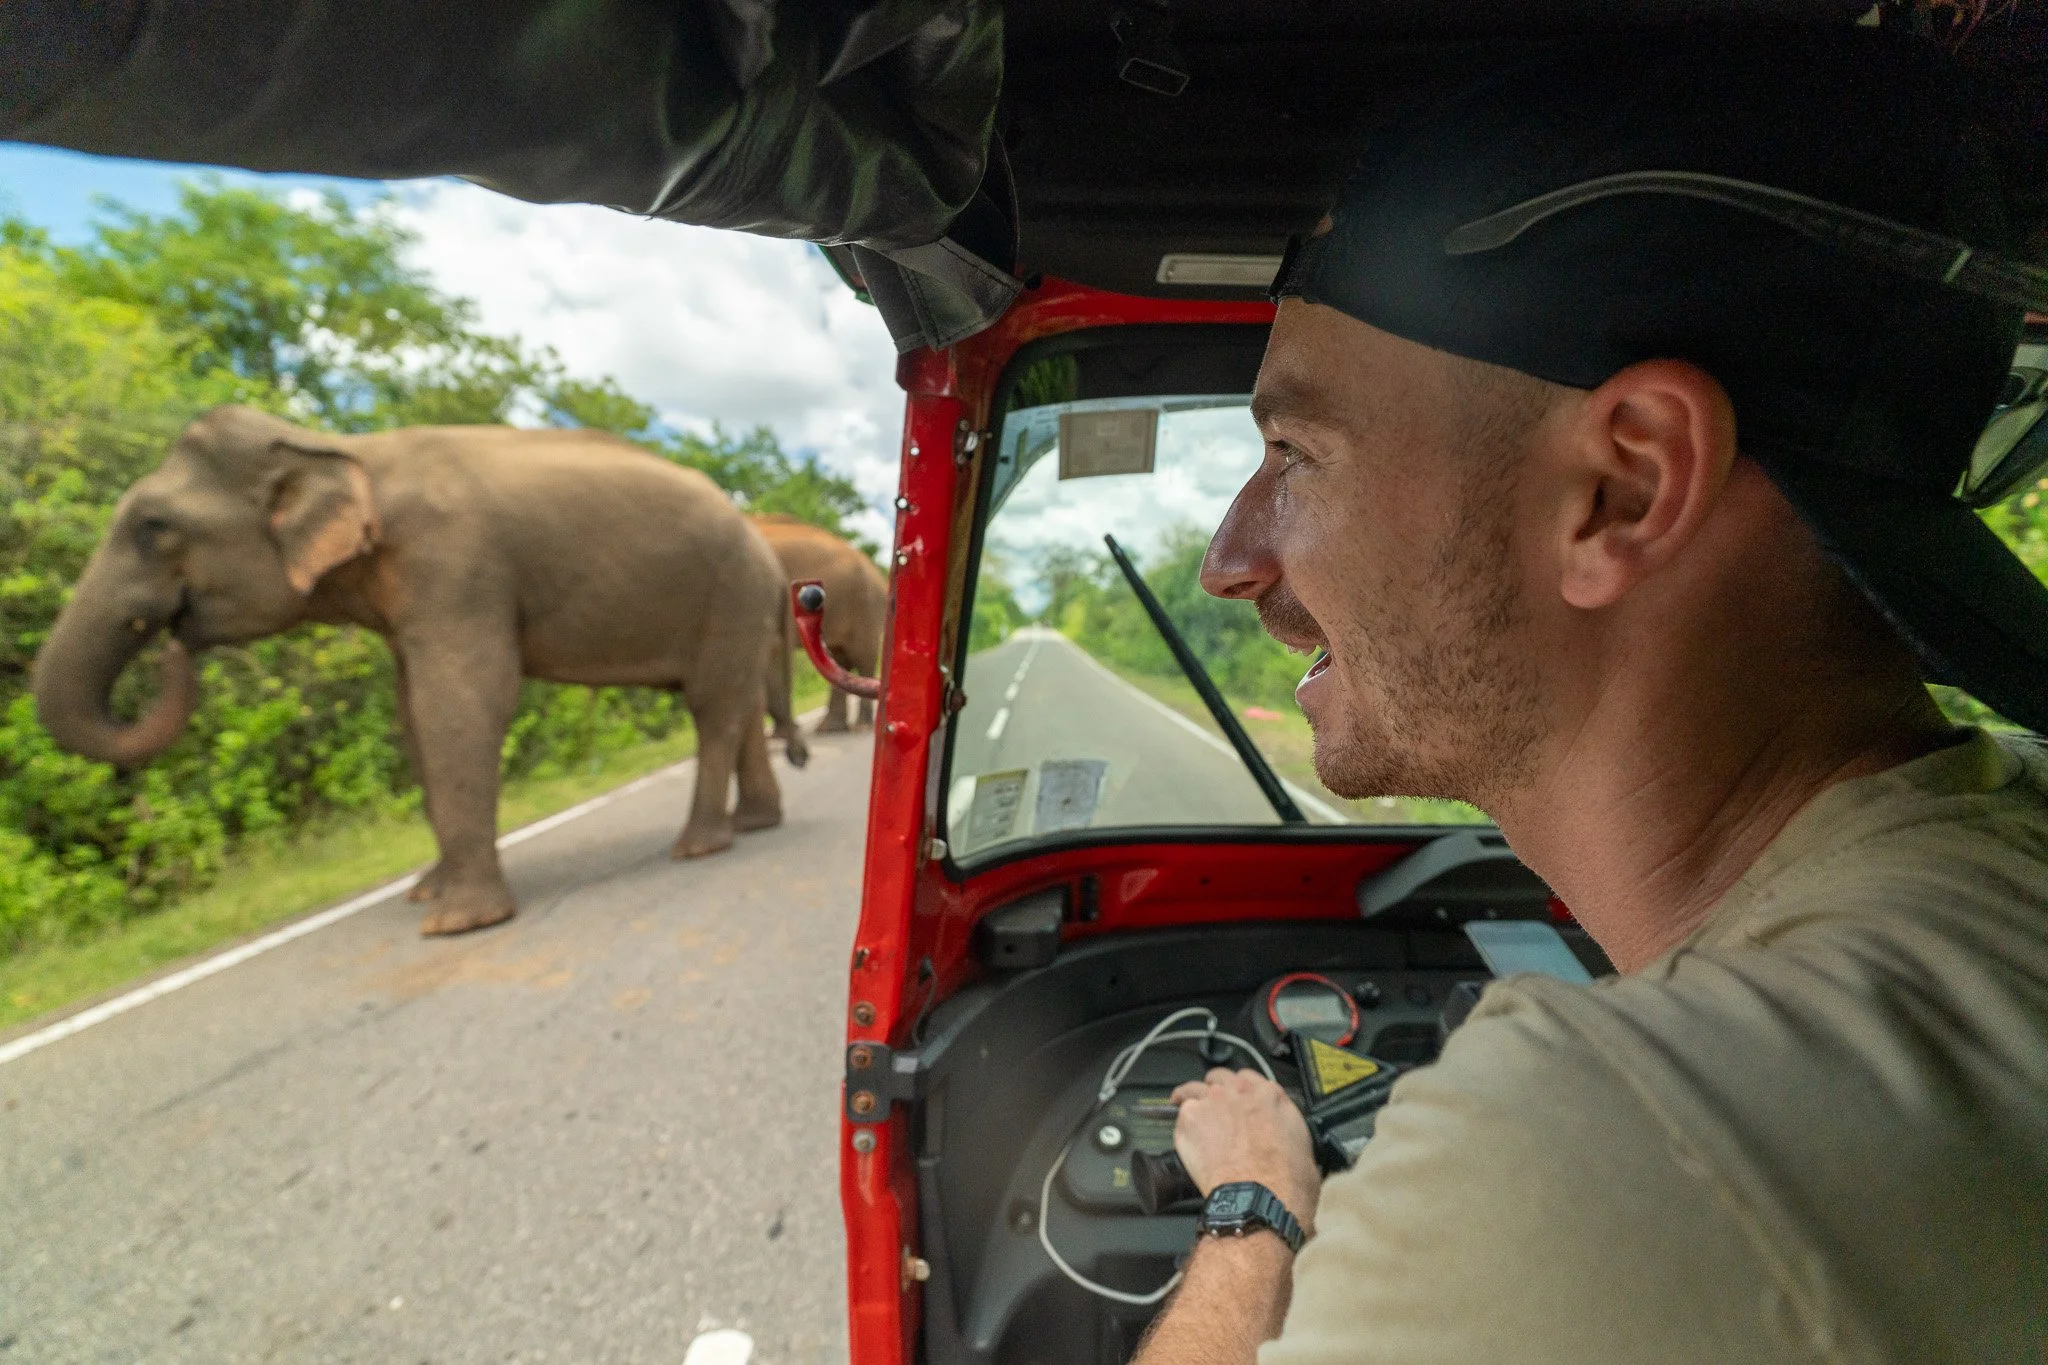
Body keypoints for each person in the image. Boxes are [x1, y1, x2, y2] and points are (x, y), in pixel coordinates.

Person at [1135, 27, 2048, 1365]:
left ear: (1623, 487)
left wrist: (1256, 1202)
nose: (1231, 560)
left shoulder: (1612, 1145)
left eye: (1294, 452)